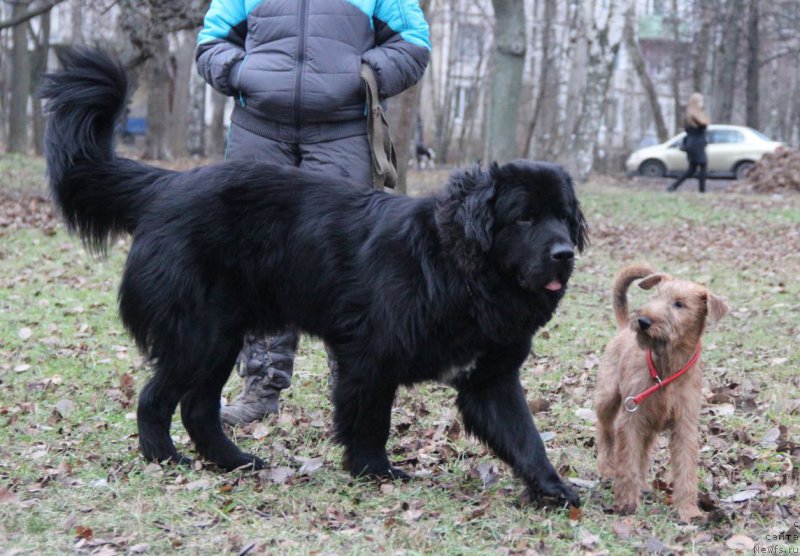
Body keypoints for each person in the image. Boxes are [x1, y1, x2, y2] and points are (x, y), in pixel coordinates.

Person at [195, 0, 431, 425]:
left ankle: (354, 393)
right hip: (257, 133)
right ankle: (261, 389)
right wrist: (241, 72)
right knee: (255, 265)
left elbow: (413, 42)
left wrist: (363, 75)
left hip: (343, 135)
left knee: (346, 269)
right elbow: (210, 41)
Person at [668, 92, 710, 193]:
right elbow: (705, 122)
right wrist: (702, 111)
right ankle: (702, 190)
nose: (702, 103)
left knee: (691, 170)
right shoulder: (695, 115)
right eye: (701, 101)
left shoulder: (688, 115)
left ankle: (673, 187)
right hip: (696, 144)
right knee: (703, 165)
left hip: (691, 143)